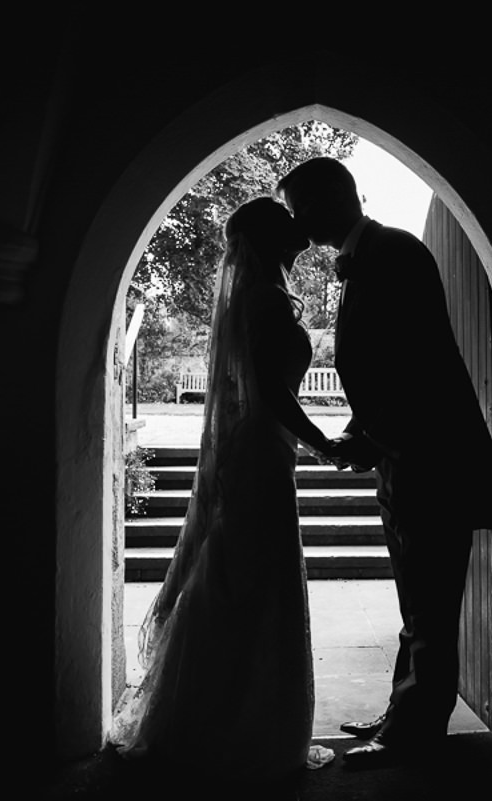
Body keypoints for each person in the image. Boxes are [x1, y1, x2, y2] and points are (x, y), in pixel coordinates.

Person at [276, 157, 492, 768]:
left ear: (333, 198)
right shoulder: (369, 258)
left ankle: (413, 734)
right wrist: (360, 430)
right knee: (417, 602)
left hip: (432, 460)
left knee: (431, 605)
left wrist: (368, 438)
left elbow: (419, 365)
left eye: (300, 208)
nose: (297, 222)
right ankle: (401, 710)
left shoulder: (396, 252)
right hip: (404, 456)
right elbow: (381, 370)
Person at [109, 197, 338, 795]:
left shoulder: (257, 297)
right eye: (287, 221)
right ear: (270, 238)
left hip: (261, 448)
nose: (299, 226)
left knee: (244, 578)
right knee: (256, 580)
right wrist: (324, 443)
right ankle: (238, 729)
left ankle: (223, 718)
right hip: (261, 450)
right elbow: (272, 392)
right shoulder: (265, 301)